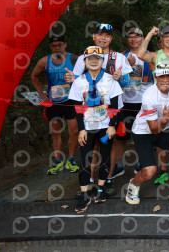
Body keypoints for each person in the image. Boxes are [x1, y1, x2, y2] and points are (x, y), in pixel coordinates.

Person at [125, 62, 169, 208]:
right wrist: (165, 119)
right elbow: (154, 130)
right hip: (144, 131)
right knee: (150, 171)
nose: (165, 80)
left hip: (166, 130)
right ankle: (133, 184)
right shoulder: (149, 95)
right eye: (161, 76)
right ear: (155, 77)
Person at [67, 46, 123, 213]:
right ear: (84, 61)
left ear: (102, 61)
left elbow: (115, 106)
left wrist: (112, 126)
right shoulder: (79, 82)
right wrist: (81, 129)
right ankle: (84, 195)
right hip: (87, 126)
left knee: (105, 157)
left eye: (97, 58)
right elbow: (77, 108)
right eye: (90, 58)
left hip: (105, 126)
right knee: (85, 159)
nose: (93, 61)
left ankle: (101, 188)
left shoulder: (110, 80)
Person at [107, 27, 154, 193]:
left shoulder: (150, 56)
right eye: (130, 37)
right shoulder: (120, 56)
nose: (134, 39)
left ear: (142, 38)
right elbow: (111, 78)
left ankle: (142, 162)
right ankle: (118, 164)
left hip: (144, 101)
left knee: (142, 135)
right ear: (127, 40)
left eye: (137, 36)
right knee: (120, 135)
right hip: (124, 101)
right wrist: (127, 65)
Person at [30, 35, 80, 175]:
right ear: (50, 47)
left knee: (73, 132)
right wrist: (41, 93)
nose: (57, 48)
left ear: (65, 45)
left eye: (59, 45)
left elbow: (85, 75)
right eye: (53, 46)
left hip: (70, 101)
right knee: (55, 133)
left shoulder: (74, 59)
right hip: (53, 102)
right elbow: (34, 76)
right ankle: (58, 160)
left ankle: (71, 159)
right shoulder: (45, 61)